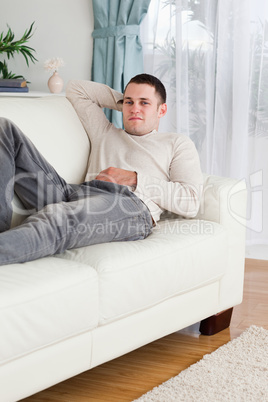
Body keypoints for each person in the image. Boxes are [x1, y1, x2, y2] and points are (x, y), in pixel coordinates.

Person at [0, 74, 203, 265]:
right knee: (4, 129)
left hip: (127, 205)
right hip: (75, 193)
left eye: (145, 102)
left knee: (57, 217)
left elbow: (191, 201)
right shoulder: (104, 132)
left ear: (162, 110)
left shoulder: (176, 143)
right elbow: (77, 89)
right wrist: (124, 101)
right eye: (130, 102)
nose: (135, 109)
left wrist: (134, 178)